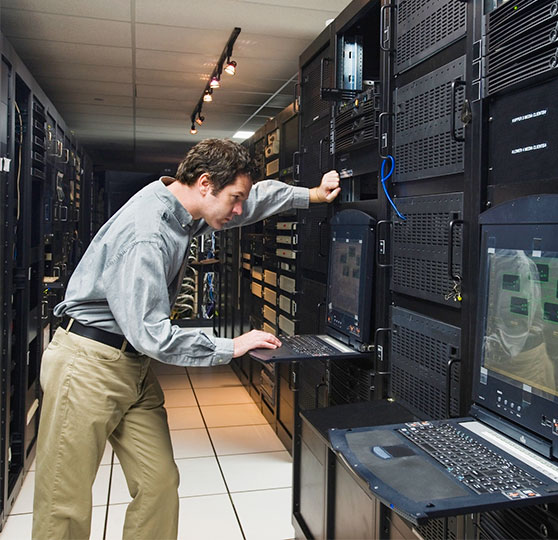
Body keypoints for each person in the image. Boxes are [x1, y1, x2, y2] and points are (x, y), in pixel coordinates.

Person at [32, 138, 340, 540]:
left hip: (130, 364)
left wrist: (312, 195)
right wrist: (229, 347)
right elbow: (151, 333)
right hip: (88, 364)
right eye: (234, 198)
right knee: (64, 505)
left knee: (159, 485)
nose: (238, 209)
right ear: (206, 183)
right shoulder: (148, 234)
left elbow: (254, 199)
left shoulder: (183, 207)